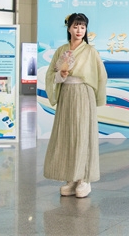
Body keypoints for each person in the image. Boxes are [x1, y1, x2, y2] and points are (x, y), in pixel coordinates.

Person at [44, 13, 107, 198]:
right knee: (67, 134)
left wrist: (97, 97)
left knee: (82, 134)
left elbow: (101, 75)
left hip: (83, 93)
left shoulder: (90, 51)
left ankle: (84, 178)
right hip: (66, 93)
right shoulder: (61, 50)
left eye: (83, 27)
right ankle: (71, 177)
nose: (79, 30)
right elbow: (50, 74)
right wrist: (60, 76)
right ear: (69, 28)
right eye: (76, 26)